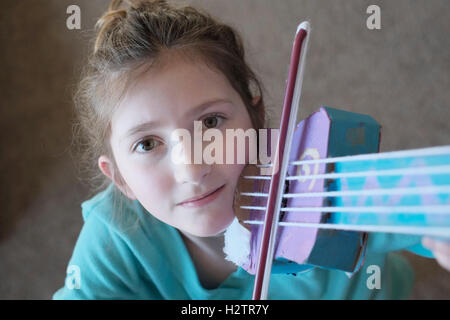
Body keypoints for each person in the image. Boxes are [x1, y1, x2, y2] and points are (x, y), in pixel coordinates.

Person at [53, 0, 449, 299]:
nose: (192, 168)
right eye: (147, 144)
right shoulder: (115, 236)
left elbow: (429, 211)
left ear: (254, 113)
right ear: (119, 176)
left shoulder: (325, 182)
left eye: (210, 122)